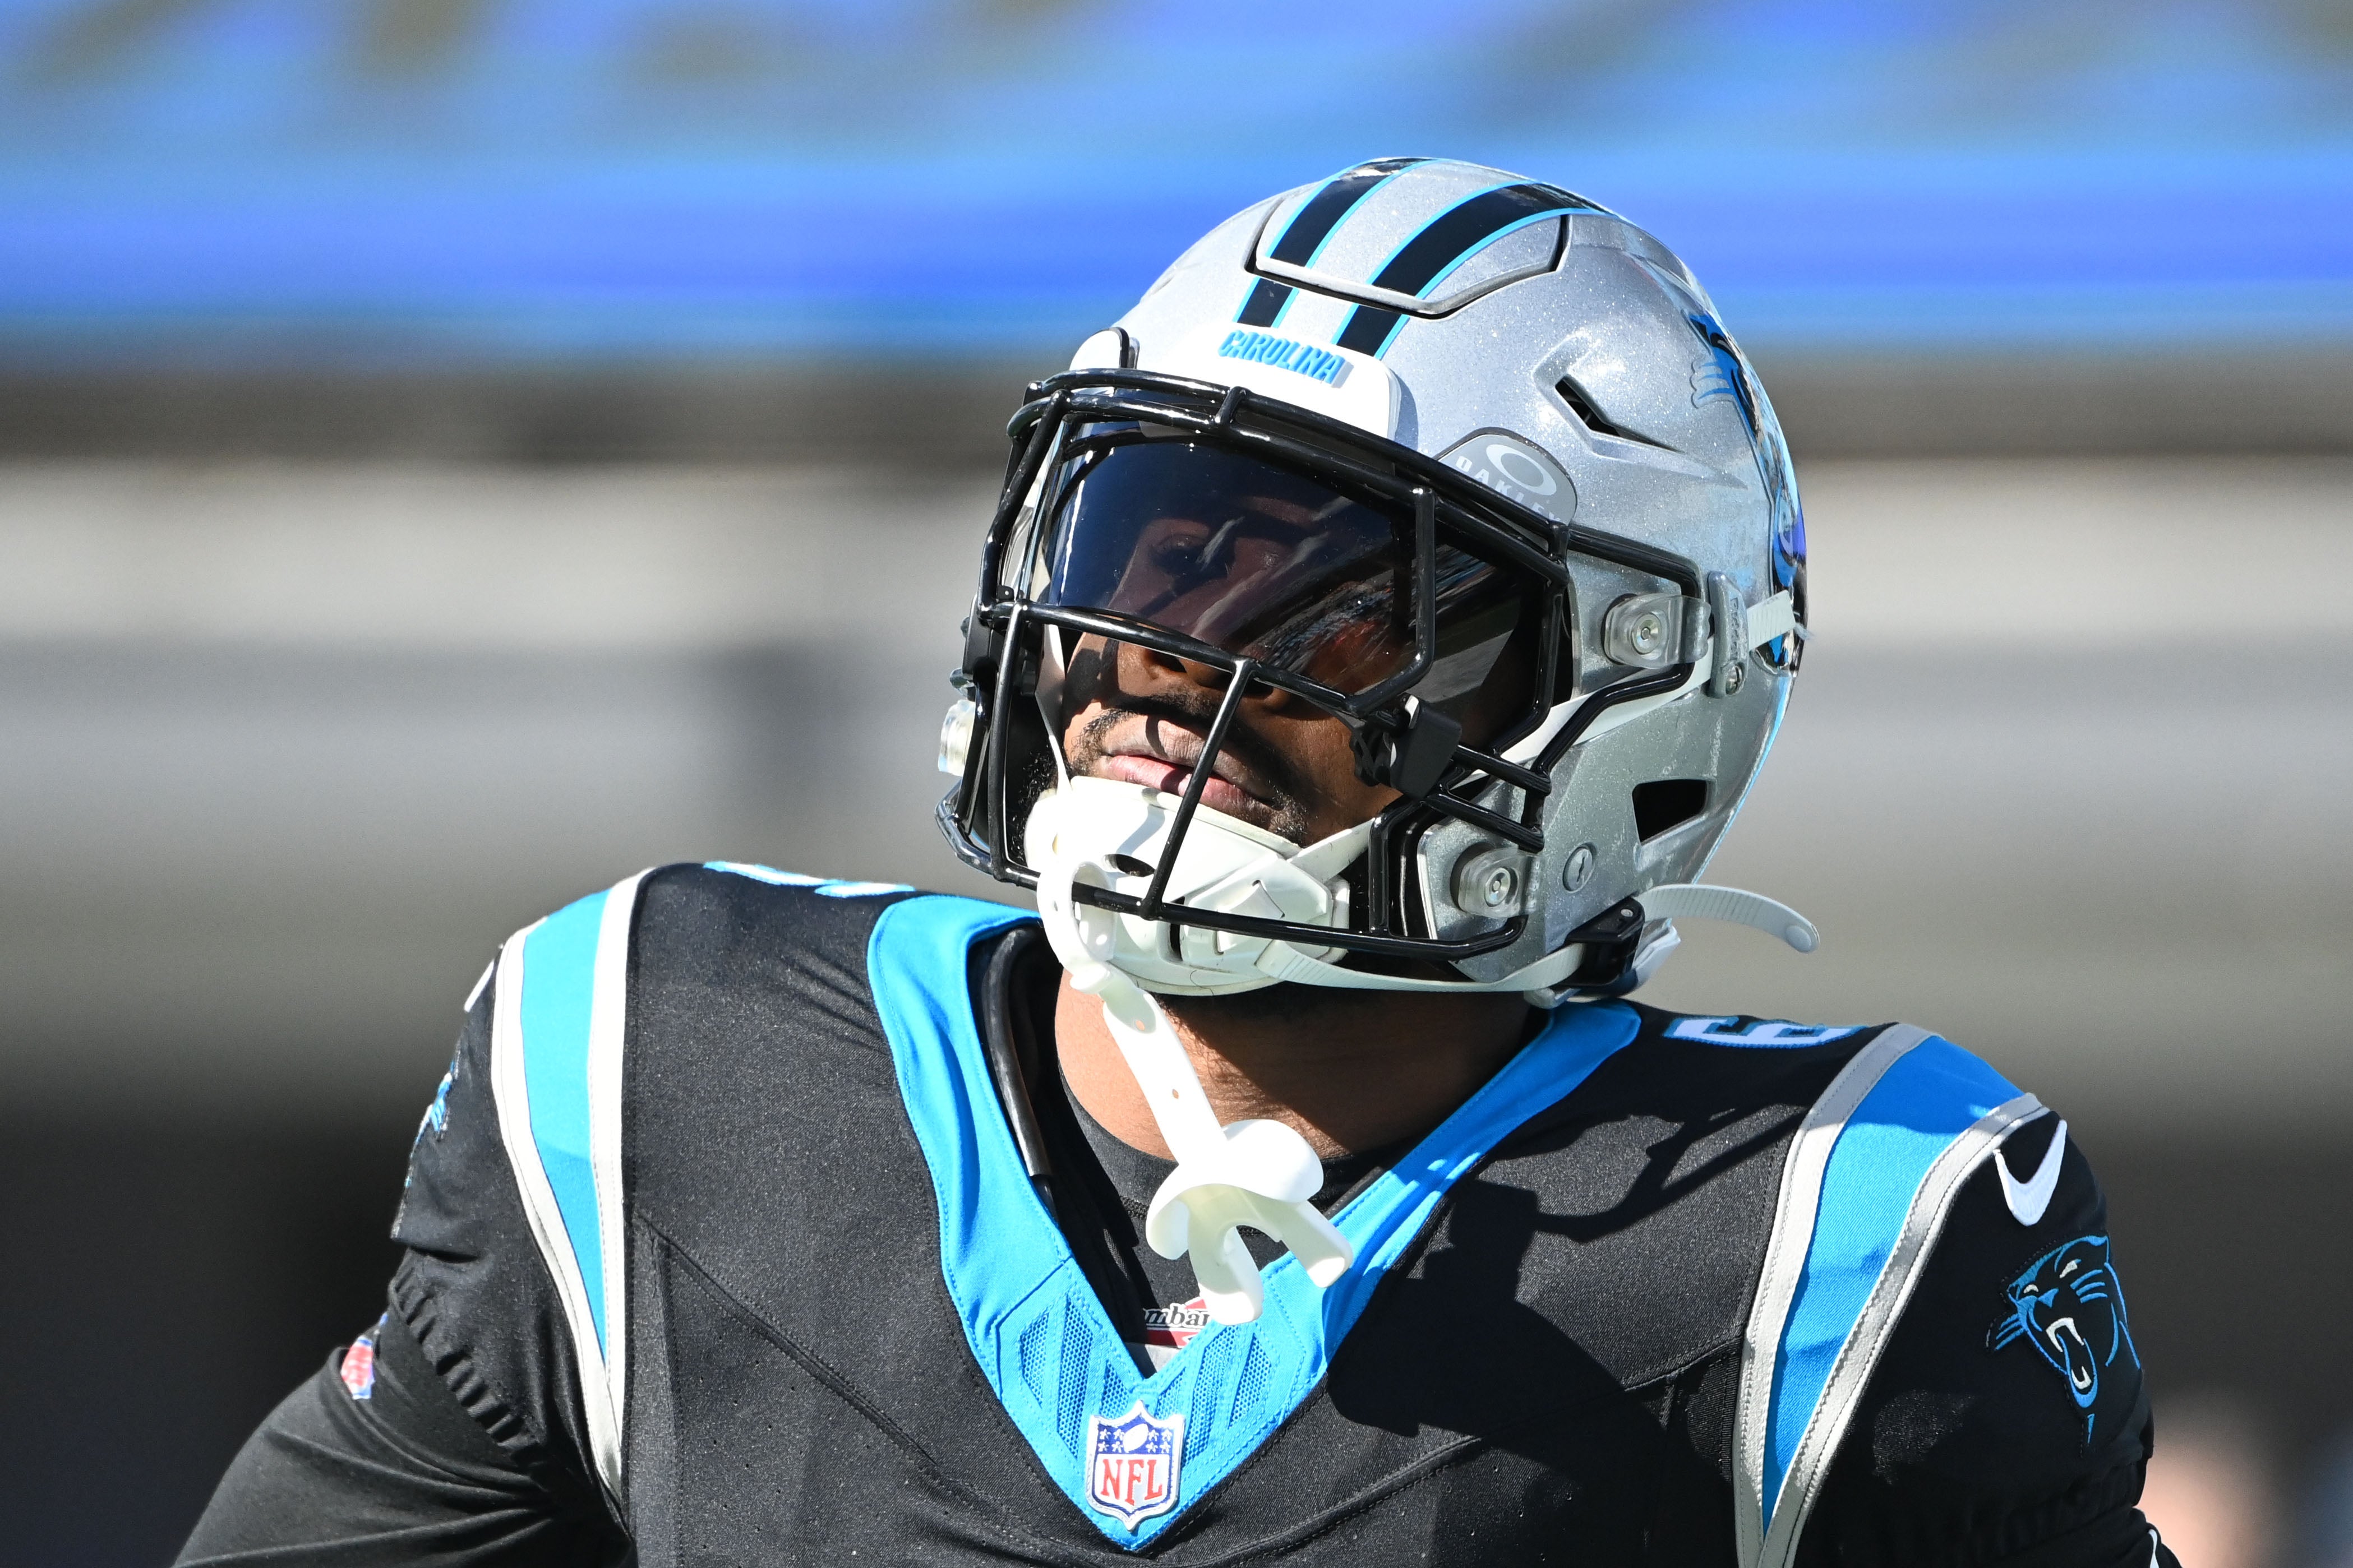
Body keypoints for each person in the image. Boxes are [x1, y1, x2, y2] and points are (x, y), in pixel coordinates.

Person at [179, 158, 2176, 1566]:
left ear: (1617, 696)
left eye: (1331, 600)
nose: (1160, 654)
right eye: (1149, 539)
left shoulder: (1847, 1228)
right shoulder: (661, 1067)